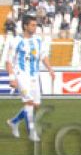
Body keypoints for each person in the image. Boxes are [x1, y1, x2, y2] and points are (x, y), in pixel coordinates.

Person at [6, 14, 55, 142]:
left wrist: (50, 69)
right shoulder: (16, 40)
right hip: (21, 75)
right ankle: (32, 132)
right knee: (29, 103)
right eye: (32, 25)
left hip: (34, 76)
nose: (35, 27)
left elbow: (43, 56)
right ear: (25, 26)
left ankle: (14, 122)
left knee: (36, 105)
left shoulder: (38, 40)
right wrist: (12, 78)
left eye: (35, 25)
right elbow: (8, 61)